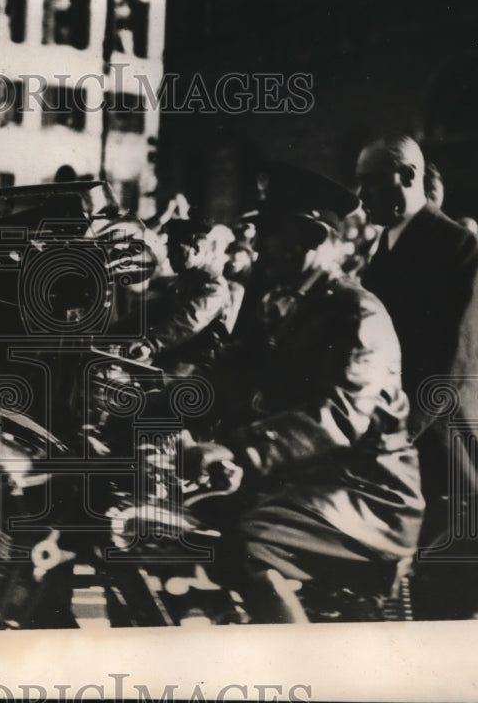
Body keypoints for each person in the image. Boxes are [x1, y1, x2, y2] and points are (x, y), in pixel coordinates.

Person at [197, 163, 423, 622]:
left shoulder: (358, 314)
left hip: (369, 492)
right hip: (311, 480)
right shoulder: (285, 303)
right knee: (189, 521)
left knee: (249, 542)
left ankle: (304, 671)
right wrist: (146, 401)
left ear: (313, 239)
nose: (257, 246)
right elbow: (227, 376)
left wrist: (235, 447)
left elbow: (338, 416)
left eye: (270, 233)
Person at [356, 135, 478, 509]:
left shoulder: (457, 244)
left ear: (407, 174)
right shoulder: (385, 246)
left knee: (461, 549)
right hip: (397, 429)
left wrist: (406, 427)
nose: (360, 195)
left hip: (443, 432)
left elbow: (454, 355)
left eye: (370, 181)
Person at [125, 217, 235, 377]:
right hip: (172, 358)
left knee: (149, 397)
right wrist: (111, 332)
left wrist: (150, 343)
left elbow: (187, 320)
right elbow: (153, 310)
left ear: (196, 249)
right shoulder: (184, 280)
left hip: (197, 367)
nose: (169, 256)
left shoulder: (213, 286)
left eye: (176, 250)